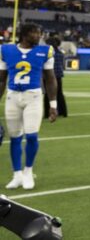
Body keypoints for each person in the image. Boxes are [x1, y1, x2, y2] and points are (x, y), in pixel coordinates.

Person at [0, 23, 58, 190]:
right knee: (15, 137)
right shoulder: (6, 50)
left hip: (33, 96)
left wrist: (53, 104)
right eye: (35, 33)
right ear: (25, 34)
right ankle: (17, 174)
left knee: (32, 136)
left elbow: (50, 78)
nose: (39, 36)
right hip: (12, 96)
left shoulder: (45, 51)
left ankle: (28, 171)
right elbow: (1, 79)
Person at [45, 35, 68, 117]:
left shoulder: (50, 53)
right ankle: (63, 112)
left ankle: (47, 113)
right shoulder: (60, 53)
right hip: (59, 75)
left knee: (48, 95)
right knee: (59, 94)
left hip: (50, 76)